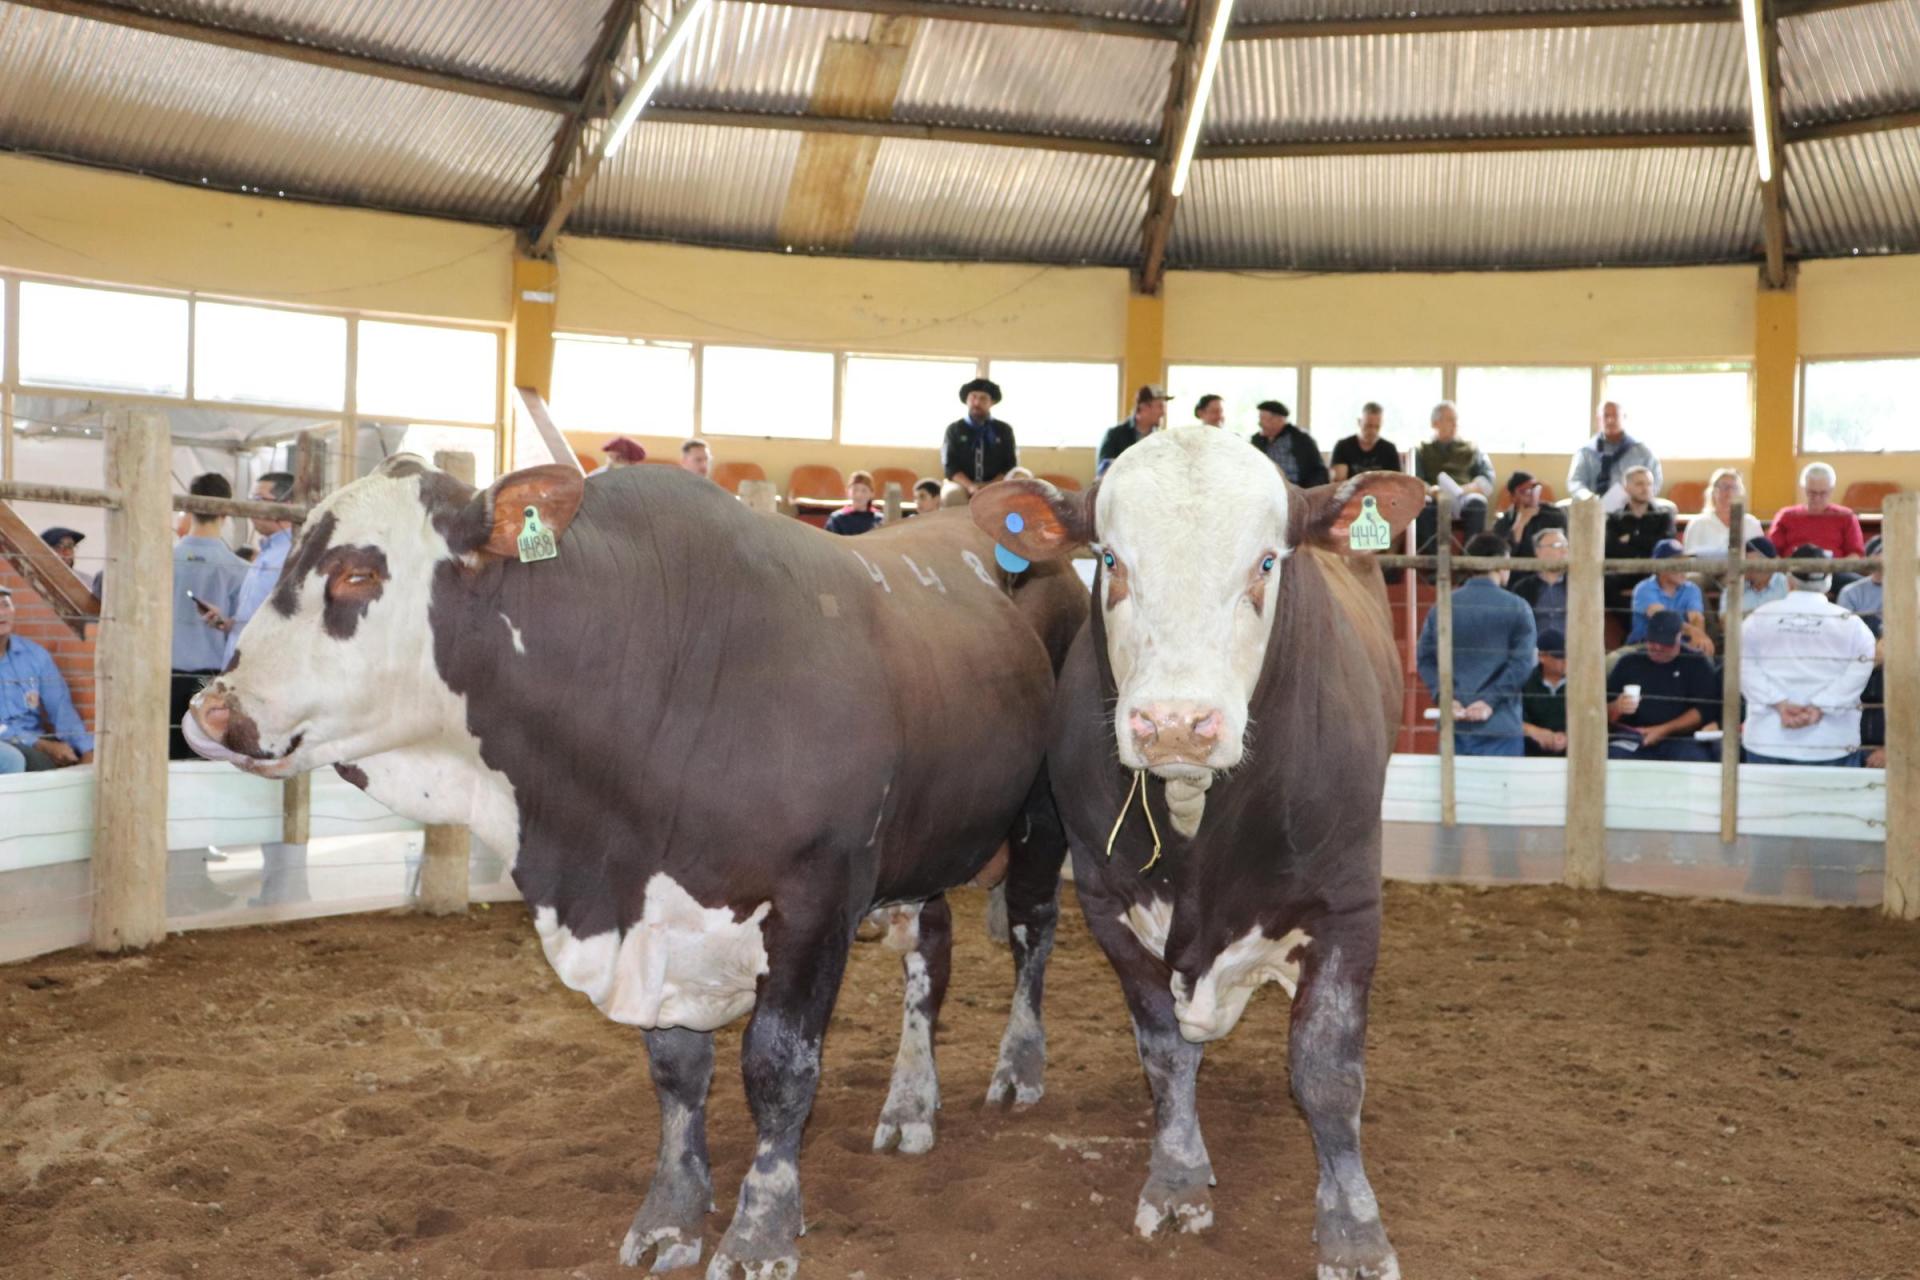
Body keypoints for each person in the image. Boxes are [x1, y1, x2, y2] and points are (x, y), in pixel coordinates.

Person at [1740, 545, 1877, 765]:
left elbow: (1742, 667)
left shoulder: (1757, 618)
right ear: (1828, 581)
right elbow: (1859, 671)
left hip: (1768, 739)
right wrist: (1820, 707)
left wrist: (1780, 703)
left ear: (1789, 579)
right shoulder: (1852, 624)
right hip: (1831, 742)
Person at [1416, 533, 1536, 757]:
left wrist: (1445, 697)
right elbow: (1522, 664)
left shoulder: (1442, 606)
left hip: (1454, 721)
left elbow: (1425, 659)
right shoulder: (1518, 607)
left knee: (1453, 781)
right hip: (1500, 725)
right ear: (1501, 563)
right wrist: (1489, 701)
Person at [169, 475, 249, 760]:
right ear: (226, 511)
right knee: (207, 763)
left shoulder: (162, 561)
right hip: (213, 682)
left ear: (189, 506)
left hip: (163, 676)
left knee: (165, 761)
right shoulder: (240, 569)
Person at [0, 584, 95, 774]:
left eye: (5, 605)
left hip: (34, 740)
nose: (2, 613)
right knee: (28, 762)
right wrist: (39, 744)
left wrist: (86, 750)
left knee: (72, 761)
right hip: (10, 743)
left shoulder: (34, 655)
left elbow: (61, 708)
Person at [210, 472, 296, 667]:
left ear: (288, 505)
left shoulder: (294, 553)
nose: (251, 508)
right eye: (251, 500)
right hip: (240, 666)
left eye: (259, 500)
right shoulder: (267, 551)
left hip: (264, 668)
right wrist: (230, 623)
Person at [1607, 611, 1718, 761]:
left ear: (1679, 638)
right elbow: (1603, 710)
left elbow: (1704, 710)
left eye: (1666, 643)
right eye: (1653, 642)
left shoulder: (1696, 663)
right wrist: (1617, 706)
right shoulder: (1628, 662)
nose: (1658, 647)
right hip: (1633, 737)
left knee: (1695, 758)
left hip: (1680, 739)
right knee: (1613, 756)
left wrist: (1664, 730)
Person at [1414, 401, 1495, 554]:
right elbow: (1415, 480)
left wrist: (1463, 490)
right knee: (1422, 505)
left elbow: (1487, 479)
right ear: (1435, 423)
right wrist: (1432, 491)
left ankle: (1470, 559)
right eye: (1450, 420)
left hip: (1464, 495)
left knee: (1478, 502)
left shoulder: (1471, 448)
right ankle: (1430, 561)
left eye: (1456, 420)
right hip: (1434, 496)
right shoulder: (1422, 450)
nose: (1455, 424)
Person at [1604, 464, 1676, 615]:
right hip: (1624, 571)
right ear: (1626, 488)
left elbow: (1665, 545)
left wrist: (1631, 539)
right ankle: (1633, 618)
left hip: (1654, 571)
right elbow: (1611, 549)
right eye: (1639, 484)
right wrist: (1646, 545)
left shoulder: (1664, 516)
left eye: (1649, 484)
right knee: (1603, 583)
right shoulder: (1615, 518)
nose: (1646, 488)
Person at [1629, 539, 1714, 655]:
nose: (1683, 569)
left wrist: (1699, 639)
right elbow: (1664, 619)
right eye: (1677, 564)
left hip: (1678, 647)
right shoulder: (1644, 588)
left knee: (1702, 652)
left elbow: (1697, 618)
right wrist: (1692, 631)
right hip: (1644, 648)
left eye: (1685, 563)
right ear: (1660, 567)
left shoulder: (1691, 589)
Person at [1567, 401, 1662, 504]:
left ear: (1624, 417)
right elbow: (1575, 482)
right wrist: (1587, 496)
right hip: (1593, 508)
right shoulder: (1585, 452)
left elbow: (1656, 481)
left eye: (1615, 415)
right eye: (1606, 416)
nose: (1610, 420)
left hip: (1631, 508)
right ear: (1598, 419)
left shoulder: (1642, 452)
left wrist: (1639, 496)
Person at [1767, 463, 1865, 561]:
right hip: (1792, 568)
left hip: (1835, 568)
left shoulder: (1845, 516)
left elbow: (1856, 554)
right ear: (1803, 489)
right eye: (1812, 493)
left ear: (1831, 490)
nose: (1817, 498)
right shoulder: (1786, 516)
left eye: (1823, 493)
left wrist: (1834, 567)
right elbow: (1771, 553)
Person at [942, 378, 1017, 500]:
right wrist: (970, 486)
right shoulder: (954, 429)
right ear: (966, 400)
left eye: (983, 398)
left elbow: (1010, 464)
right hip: (963, 484)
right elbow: (950, 466)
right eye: (973, 397)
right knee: (952, 495)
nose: (977, 402)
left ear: (992, 402)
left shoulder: (1004, 429)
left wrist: (990, 486)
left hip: (996, 483)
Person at [1491, 471, 1568, 568]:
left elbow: (1567, 546)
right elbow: (1504, 558)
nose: (1532, 495)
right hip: (1520, 572)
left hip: (1550, 568)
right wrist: (1520, 524)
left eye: (1535, 489)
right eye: (1525, 491)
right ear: (1513, 497)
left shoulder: (1554, 514)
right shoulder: (1503, 523)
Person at [1681, 467, 1764, 556]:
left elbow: (1760, 558)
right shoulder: (1698, 524)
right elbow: (1689, 558)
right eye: (1724, 487)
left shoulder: (1751, 523)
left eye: (1734, 488)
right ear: (1713, 492)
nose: (1729, 493)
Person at [1248, 400, 1328, 488]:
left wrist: (1306, 491)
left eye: (1264, 419)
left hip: (1297, 489)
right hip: (1266, 488)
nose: (1260, 423)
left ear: (1279, 420)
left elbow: (1319, 471)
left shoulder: (1301, 439)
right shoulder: (1256, 440)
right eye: (1260, 418)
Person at [1096, 385, 1167, 479]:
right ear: (1144, 407)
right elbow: (1103, 472)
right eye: (1160, 406)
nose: (1163, 413)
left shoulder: (1161, 440)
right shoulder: (1114, 435)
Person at [1511, 527, 1570, 637]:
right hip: (1533, 645)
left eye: (1566, 545)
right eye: (1557, 545)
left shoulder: (1577, 587)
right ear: (1538, 551)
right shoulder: (1522, 588)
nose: (1564, 551)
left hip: (1571, 645)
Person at [1521, 628, 1569, 757]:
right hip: (1534, 752)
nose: (1565, 660)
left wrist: (1568, 738)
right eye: (1559, 657)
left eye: (1567, 655)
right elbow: (1518, 720)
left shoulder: (1580, 683)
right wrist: (1538, 733)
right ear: (1542, 657)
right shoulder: (1527, 684)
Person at [1718, 535, 1789, 623]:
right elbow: (1725, 623)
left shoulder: (1786, 585)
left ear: (1767, 562)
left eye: (1747, 560)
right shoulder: (1733, 588)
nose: (1743, 565)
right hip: (1744, 632)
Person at [1330, 402, 1400, 483]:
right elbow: (1339, 482)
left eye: (1377, 427)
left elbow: (1395, 482)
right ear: (1359, 422)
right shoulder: (1343, 446)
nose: (1372, 431)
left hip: (1380, 490)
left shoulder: (1389, 449)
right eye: (1368, 426)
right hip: (1351, 490)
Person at [1837, 536, 1884, 636]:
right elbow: (1844, 630)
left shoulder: (1911, 591)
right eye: (1880, 552)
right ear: (1869, 558)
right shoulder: (1850, 592)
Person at [823, 472, 882, 537]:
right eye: (855, 490)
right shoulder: (837, 519)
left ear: (872, 493)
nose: (859, 495)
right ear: (847, 492)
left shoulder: (880, 520)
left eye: (864, 490)